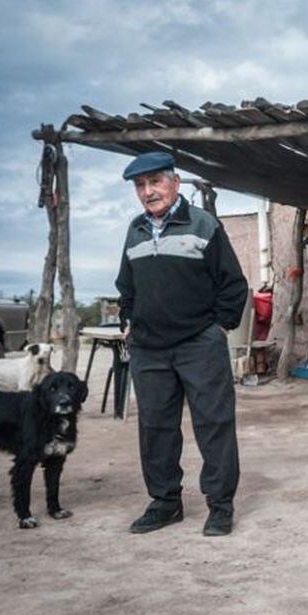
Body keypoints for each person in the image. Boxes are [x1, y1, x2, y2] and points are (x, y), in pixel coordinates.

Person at [115, 151, 248, 537]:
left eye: (155, 181)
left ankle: (220, 507)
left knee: (214, 425)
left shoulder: (203, 224)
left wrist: (217, 329)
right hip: (149, 349)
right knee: (156, 428)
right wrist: (128, 321)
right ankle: (165, 503)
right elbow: (127, 287)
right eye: (141, 186)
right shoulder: (135, 230)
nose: (148, 191)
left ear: (174, 183)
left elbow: (233, 285)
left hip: (198, 345)